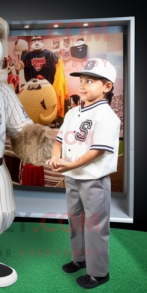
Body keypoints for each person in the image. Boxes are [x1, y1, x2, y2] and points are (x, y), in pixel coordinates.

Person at [46, 58, 121, 289]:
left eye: (90, 81)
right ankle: (79, 259)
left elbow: (98, 151)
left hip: (93, 179)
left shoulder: (107, 115)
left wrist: (70, 165)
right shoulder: (72, 113)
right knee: (76, 222)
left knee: (96, 226)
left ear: (107, 86)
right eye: (81, 80)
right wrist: (56, 157)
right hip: (73, 178)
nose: (82, 85)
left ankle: (99, 273)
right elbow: (58, 140)